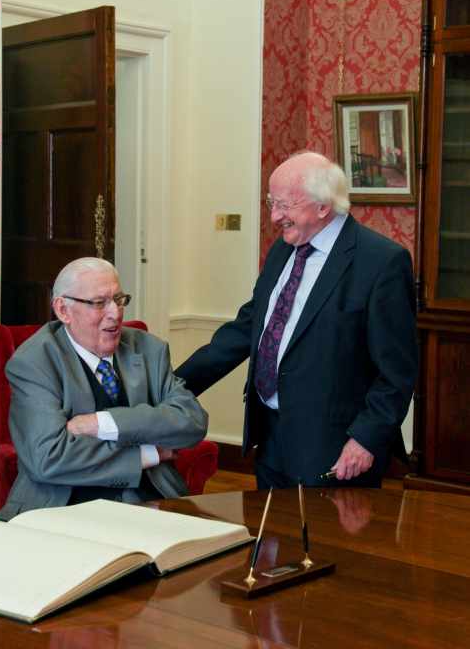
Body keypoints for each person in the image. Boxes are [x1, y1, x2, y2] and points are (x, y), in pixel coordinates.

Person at [175, 151, 417, 489]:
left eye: (284, 205)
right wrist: (171, 387)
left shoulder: (381, 262)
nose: (274, 216)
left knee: (324, 527)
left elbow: (397, 372)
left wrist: (365, 439)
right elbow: (246, 330)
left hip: (335, 447)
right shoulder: (283, 250)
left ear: (323, 206)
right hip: (271, 438)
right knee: (272, 524)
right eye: (271, 203)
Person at [0, 257, 208, 521]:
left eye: (119, 300)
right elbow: (48, 458)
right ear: (63, 310)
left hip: (149, 500)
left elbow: (192, 421)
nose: (115, 313)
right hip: (63, 507)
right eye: (99, 303)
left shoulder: (149, 349)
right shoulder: (34, 361)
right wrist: (149, 452)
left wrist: (102, 423)